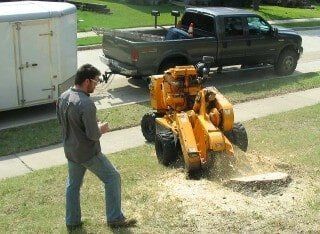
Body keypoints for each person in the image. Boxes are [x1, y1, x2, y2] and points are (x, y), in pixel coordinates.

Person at [56, 64, 137, 231]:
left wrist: (92, 124)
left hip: (71, 150)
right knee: (112, 177)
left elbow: (66, 123)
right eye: (96, 81)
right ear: (87, 81)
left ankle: (72, 221)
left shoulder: (63, 96)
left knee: (73, 185)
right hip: (88, 153)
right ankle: (115, 218)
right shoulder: (86, 103)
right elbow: (93, 135)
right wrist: (102, 128)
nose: (97, 84)